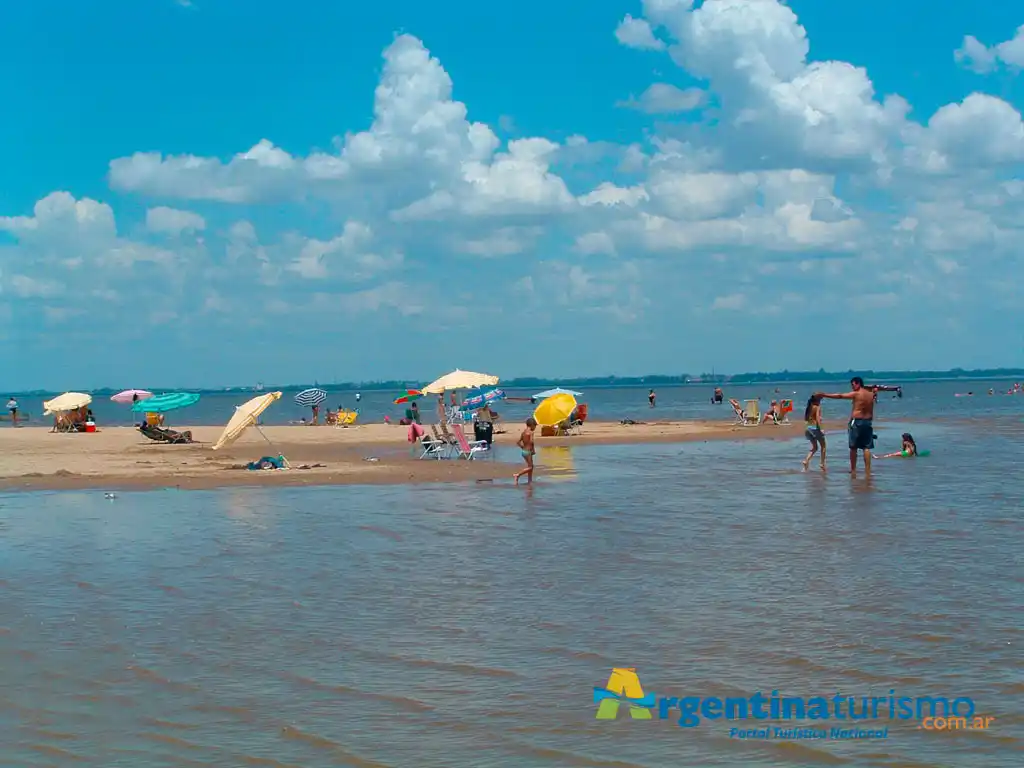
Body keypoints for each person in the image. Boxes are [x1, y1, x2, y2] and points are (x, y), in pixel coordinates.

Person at [816, 377, 900, 474]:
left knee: (853, 447)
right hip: (868, 421)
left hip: (856, 421)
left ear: (858, 384)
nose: (852, 387)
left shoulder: (856, 394)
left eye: (853, 385)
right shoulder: (870, 393)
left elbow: (840, 396)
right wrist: (893, 389)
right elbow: (881, 389)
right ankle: (867, 471)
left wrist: (824, 395)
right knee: (866, 447)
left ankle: (853, 470)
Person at [801, 395, 826, 470]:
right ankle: (822, 464)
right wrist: (821, 428)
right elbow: (817, 418)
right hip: (815, 428)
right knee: (823, 446)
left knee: (815, 447)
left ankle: (806, 461)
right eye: (820, 400)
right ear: (817, 401)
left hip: (808, 428)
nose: (820, 401)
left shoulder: (809, 407)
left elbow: (807, 418)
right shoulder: (817, 407)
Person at [513, 417, 537, 485]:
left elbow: (518, 442)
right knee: (530, 467)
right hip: (528, 451)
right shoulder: (531, 432)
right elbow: (531, 442)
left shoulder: (523, 433)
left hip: (524, 451)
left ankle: (529, 481)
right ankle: (517, 475)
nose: (535, 428)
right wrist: (533, 450)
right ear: (532, 425)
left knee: (530, 466)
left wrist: (522, 447)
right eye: (535, 426)